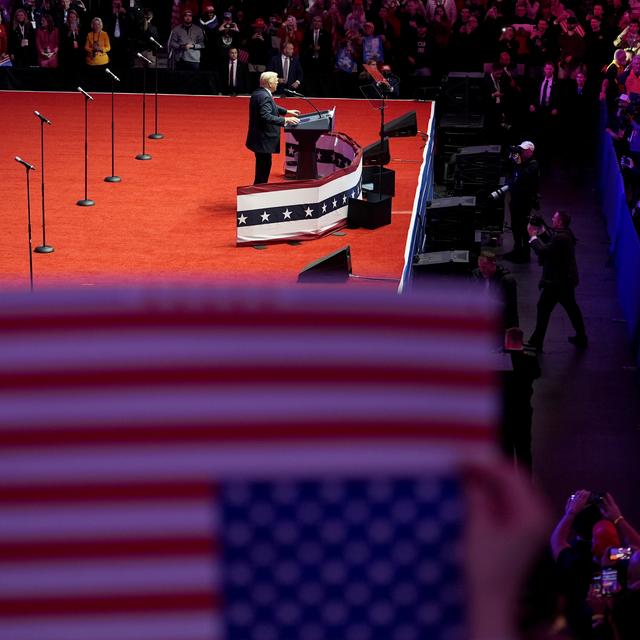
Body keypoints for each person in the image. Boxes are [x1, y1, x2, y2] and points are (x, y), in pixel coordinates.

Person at [527, 210, 587, 351]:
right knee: (572, 308)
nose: (552, 220)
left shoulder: (561, 238)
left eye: (554, 218)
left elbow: (544, 251)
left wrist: (534, 237)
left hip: (556, 283)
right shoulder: (566, 234)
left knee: (543, 309)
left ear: (560, 222)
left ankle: (537, 342)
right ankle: (581, 336)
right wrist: (542, 230)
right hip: (564, 281)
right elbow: (551, 244)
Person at [245, 71, 300, 185]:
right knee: (263, 168)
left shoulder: (259, 92)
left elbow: (272, 106)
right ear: (269, 83)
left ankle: (259, 188)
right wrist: (285, 120)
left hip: (259, 138)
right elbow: (265, 115)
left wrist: (287, 111)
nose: (277, 82)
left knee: (262, 166)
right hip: (263, 139)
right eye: (276, 81)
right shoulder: (264, 96)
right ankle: (259, 190)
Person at [503, 141, 540, 264]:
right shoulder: (521, 163)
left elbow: (522, 177)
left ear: (530, 151)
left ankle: (524, 254)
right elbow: (512, 175)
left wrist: (518, 163)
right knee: (515, 226)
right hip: (516, 199)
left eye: (524, 150)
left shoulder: (533, 165)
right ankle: (517, 250)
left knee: (523, 227)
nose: (521, 153)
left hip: (525, 201)